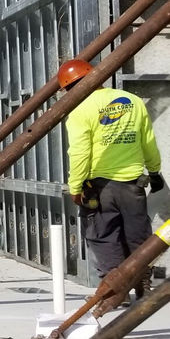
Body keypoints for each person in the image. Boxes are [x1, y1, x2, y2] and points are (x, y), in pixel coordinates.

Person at [58, 59, 164, 311]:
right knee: (137, 235)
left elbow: (80, 153)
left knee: (103, 236)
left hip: (100, 188)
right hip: (133, 184)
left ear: (70, 88)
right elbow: (147, 140)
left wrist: (75, 187)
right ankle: (143, 284)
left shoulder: (81, 110)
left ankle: (117, 291)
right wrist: (154, 170)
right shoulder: (133, 102)